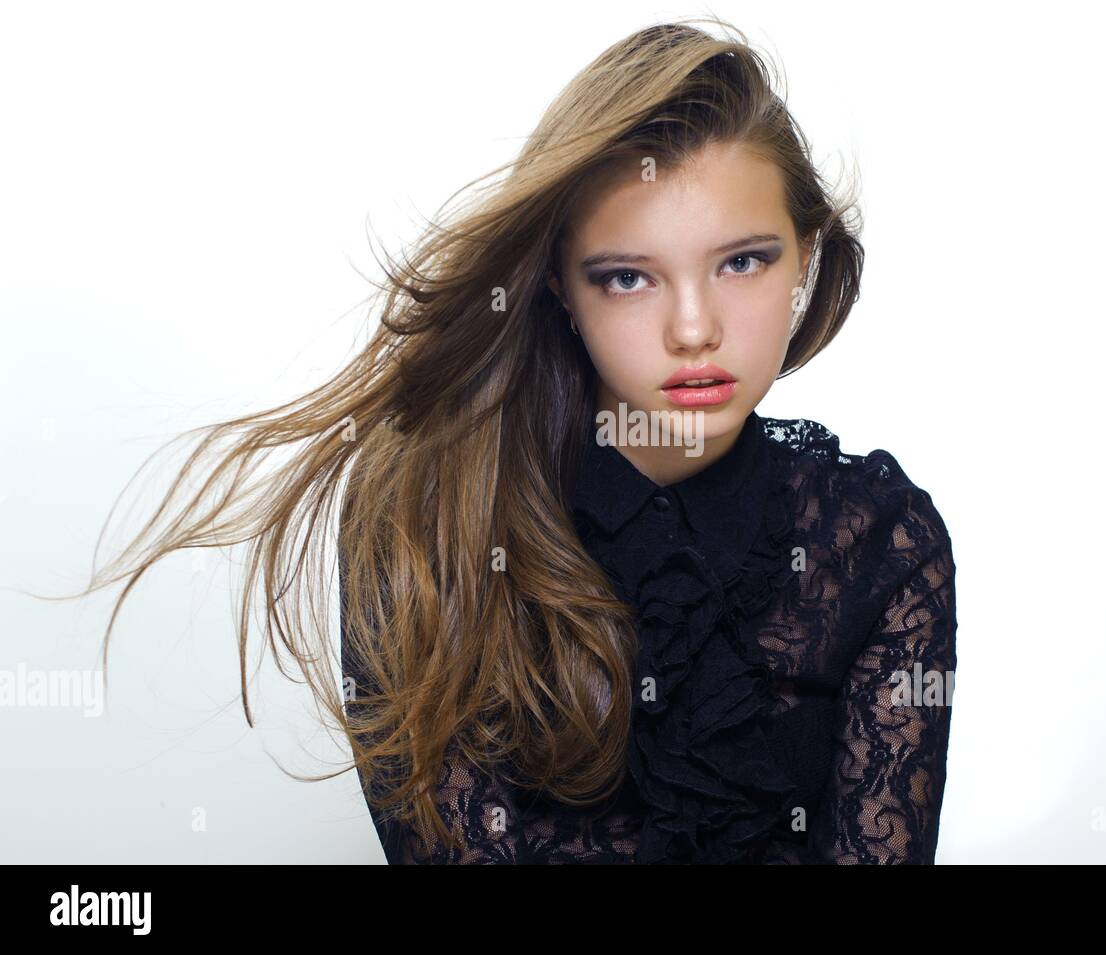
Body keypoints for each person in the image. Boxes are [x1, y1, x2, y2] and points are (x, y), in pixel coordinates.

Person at [87, 17, 958, 865]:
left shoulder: (880, 545)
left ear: (805, 254)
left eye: (743, 261)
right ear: (558, 287)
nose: (694, 329)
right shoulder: (429, 524)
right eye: (628, 276)